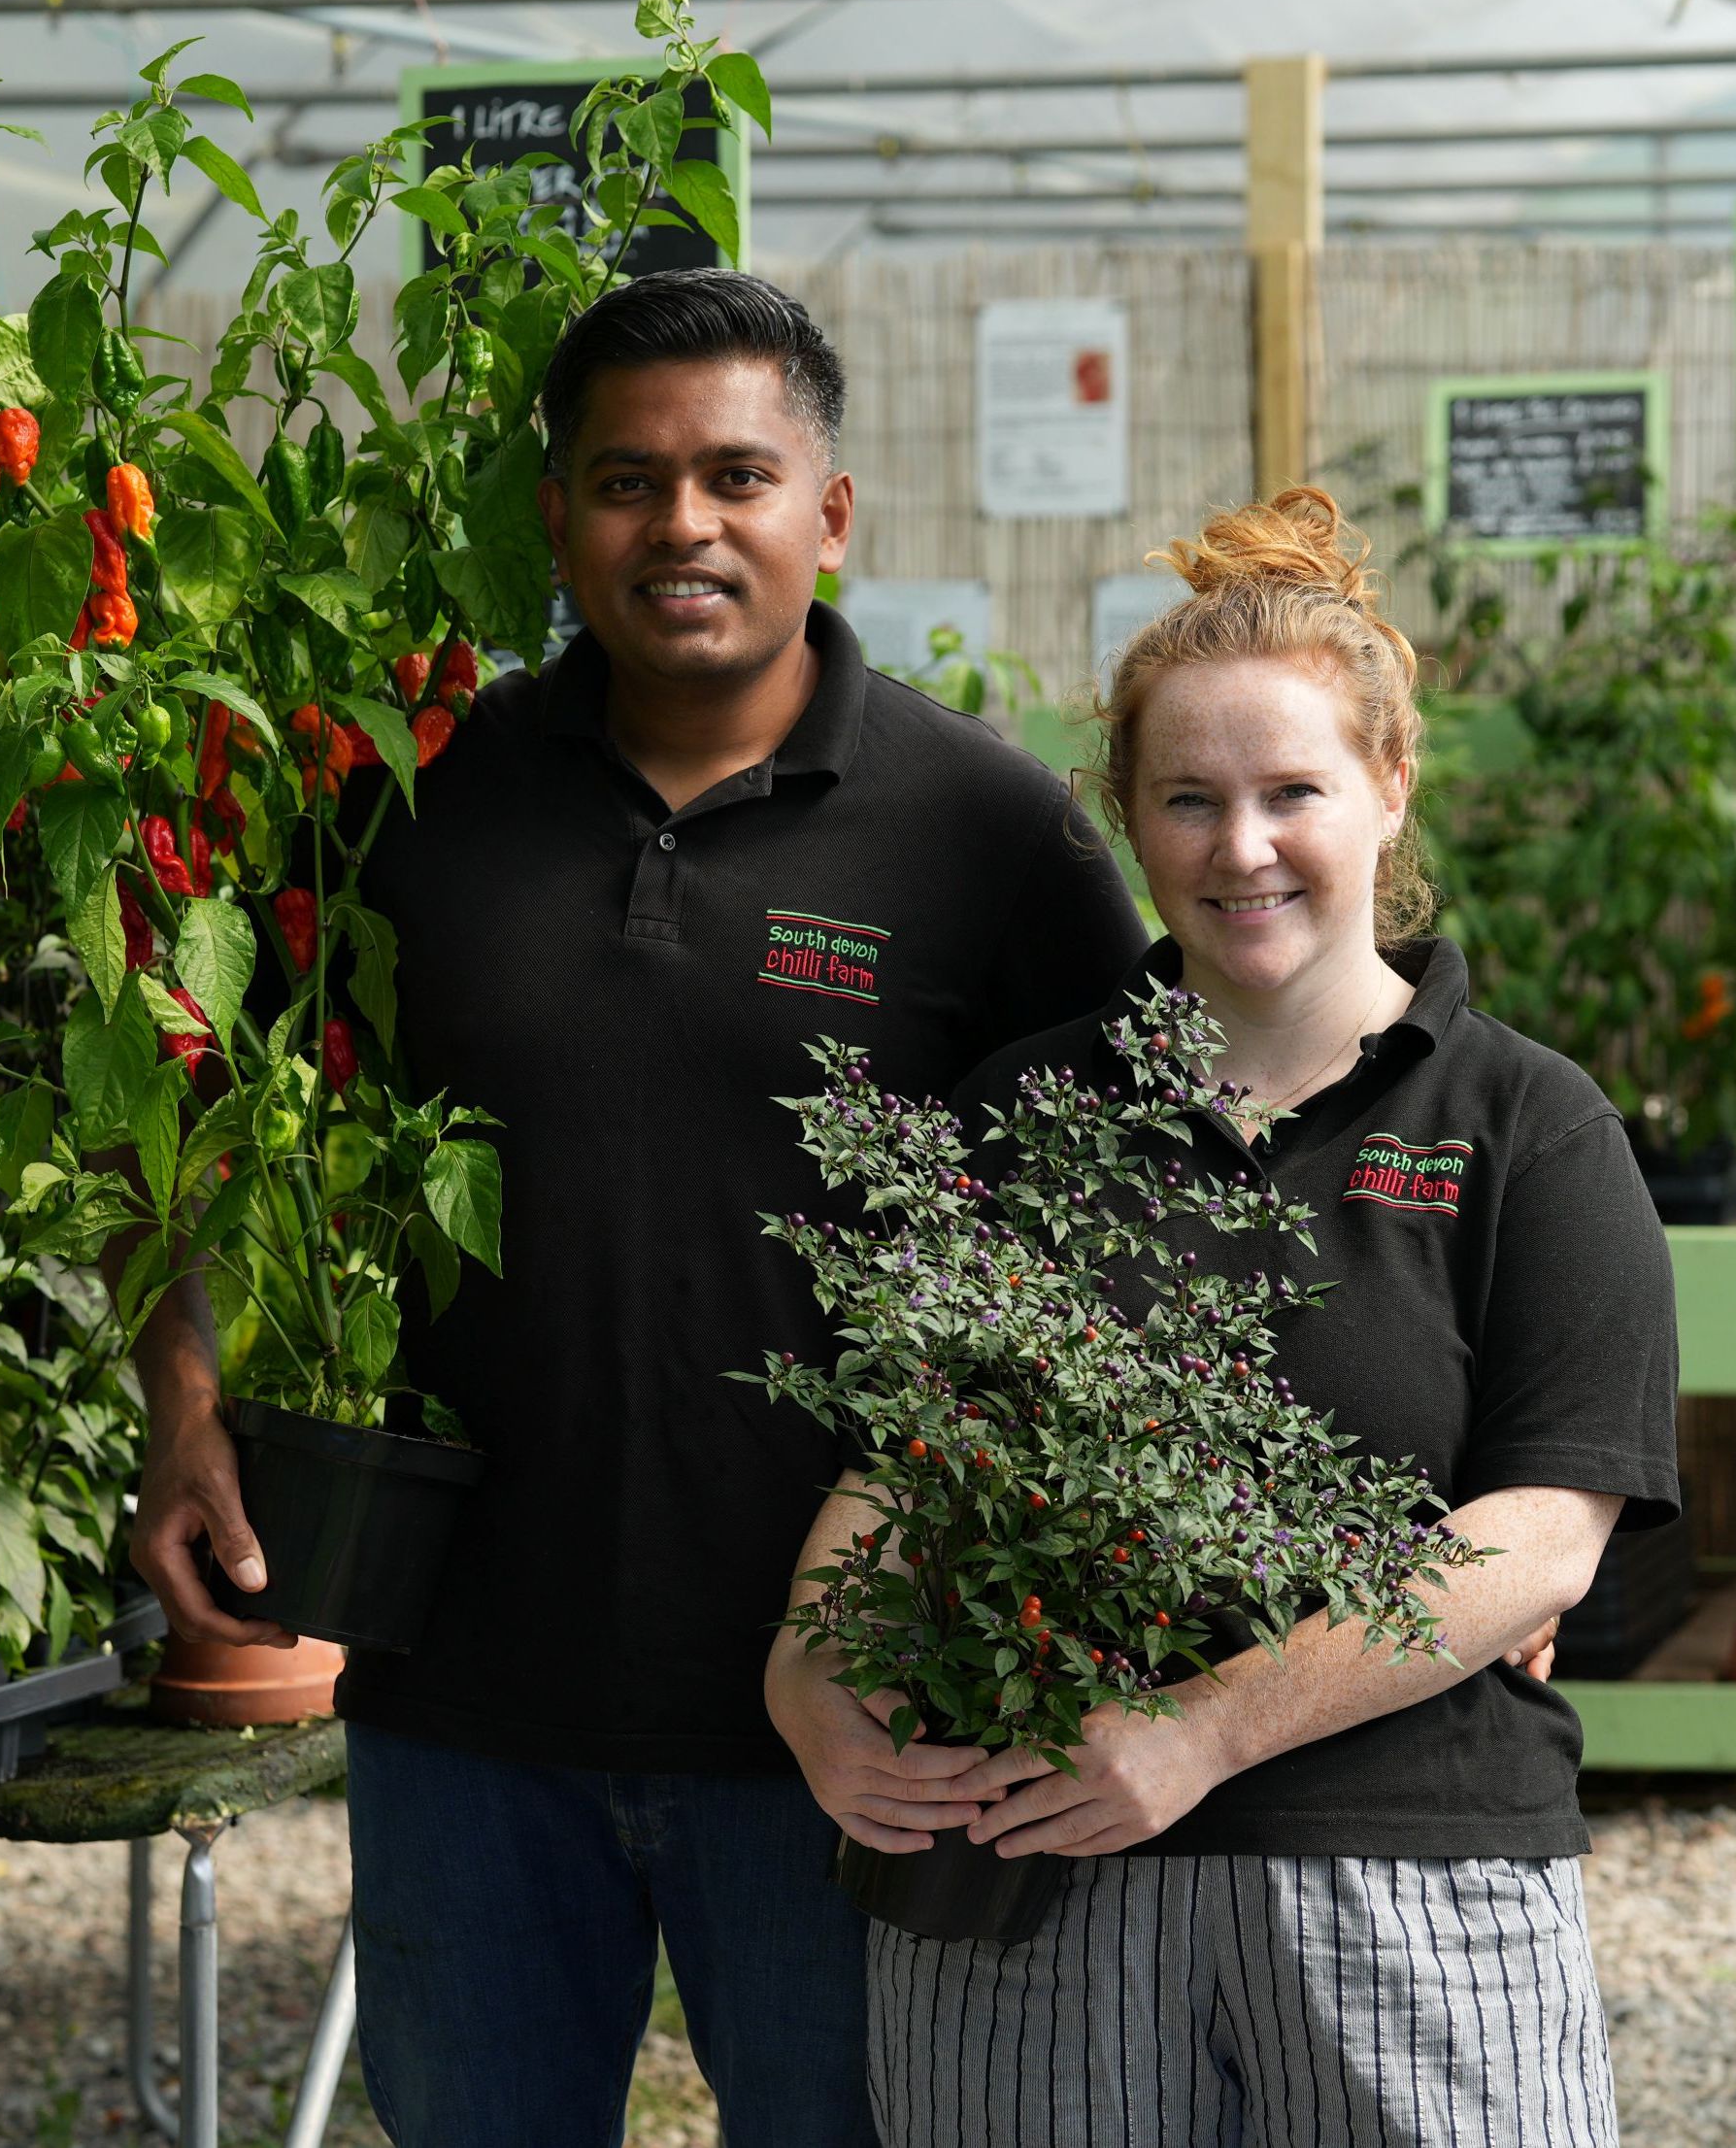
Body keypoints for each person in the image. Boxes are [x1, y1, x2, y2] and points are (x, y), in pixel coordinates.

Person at [123, 270, 1147, 2147]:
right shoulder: (407, 798)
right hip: (461, 1700)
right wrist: (184, 1400)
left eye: (736, 475)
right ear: (556, 515)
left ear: (828, 514)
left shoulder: (988, 836)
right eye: (626, 478)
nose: (681, 523)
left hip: (854, 1718)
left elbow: (1148, 1207)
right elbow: (202, 1115)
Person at [778, 487, 1680, 2147]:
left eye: (1290, 792)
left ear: (1390, 784)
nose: (1239, 846)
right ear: (1125, 817)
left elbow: (1543, 1535)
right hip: (1034, 1872)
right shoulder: (1018, 1116)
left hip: (1414, 1871)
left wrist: (1198, 1730)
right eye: (1187, 799)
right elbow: (906, 1466)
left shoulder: (1526, 1128)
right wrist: (810, 1665)